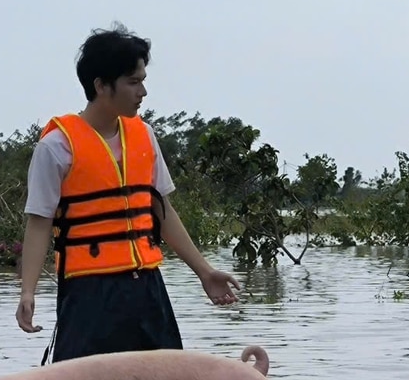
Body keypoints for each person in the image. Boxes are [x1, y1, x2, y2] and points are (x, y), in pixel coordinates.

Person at [16, 24, 241, 361]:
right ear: (102, 86)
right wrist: (28, 291)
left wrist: (204, 272)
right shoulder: (56, 147)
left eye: (143, 80)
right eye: (133, 82)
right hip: (89, 292)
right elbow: (39, 222)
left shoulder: (144, 136)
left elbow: (162, 212)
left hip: (146, 287)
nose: (143, 92)